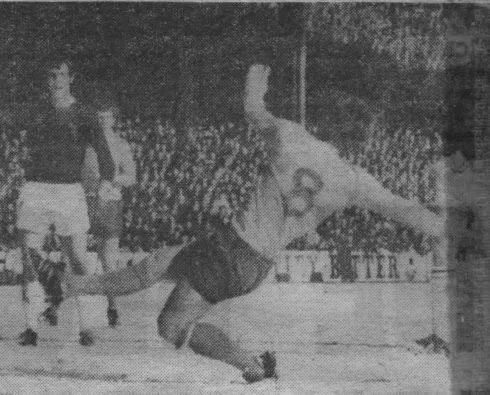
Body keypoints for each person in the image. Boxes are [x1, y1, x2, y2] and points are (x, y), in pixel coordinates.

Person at [61, 64, 445, 383]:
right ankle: (73, 284)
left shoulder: (291, 136)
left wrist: (256, 78)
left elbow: (252, 109)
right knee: (159, 262)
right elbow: (406, 211)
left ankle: (252, 365)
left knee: (171, 326)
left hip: (235, 247)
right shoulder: (354, 181)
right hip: (252, 259)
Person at [15, 56, 116, 347]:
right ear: (46, 79)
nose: (56, 79)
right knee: (29, 258)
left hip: (70, 191)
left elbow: (103, 152)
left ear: (71, 78)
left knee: (79, 261)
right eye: (51, 74)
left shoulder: (84, 115)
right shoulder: (35, 111)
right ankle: (31, 328)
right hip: (36, 189)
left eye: (62, 74)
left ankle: (87, 327)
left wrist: (106, 182)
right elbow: (4, 121)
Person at [70, 98, 136, 328]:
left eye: (106, 117)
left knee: (108, 259)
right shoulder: (87, 146)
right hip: (86, 202)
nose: (102, 121)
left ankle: (113, 306)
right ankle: (78, 312)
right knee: (75, 256)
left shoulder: (120, 145)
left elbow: (131, 177)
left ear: (113, 120)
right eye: (99, 118)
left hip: (109, 203)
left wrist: (112, 180)